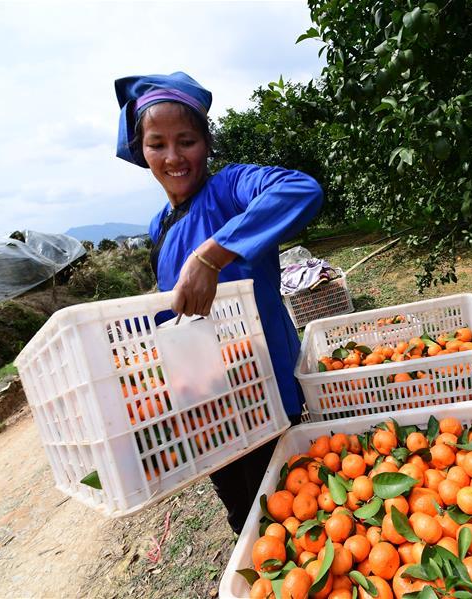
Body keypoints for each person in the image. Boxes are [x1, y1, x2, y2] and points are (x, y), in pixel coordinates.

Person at [115, 71, 323, 534]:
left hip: (263, 386)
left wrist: (212, 255)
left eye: (186, 140)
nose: (173, 157)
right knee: (241, 512)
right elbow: (180, 301)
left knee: (292, 510)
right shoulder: (157, 225)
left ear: (206, 143)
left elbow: (301, 190)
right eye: (157, 144)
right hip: (206, 397)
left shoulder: (230, 189)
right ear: (140, 150)